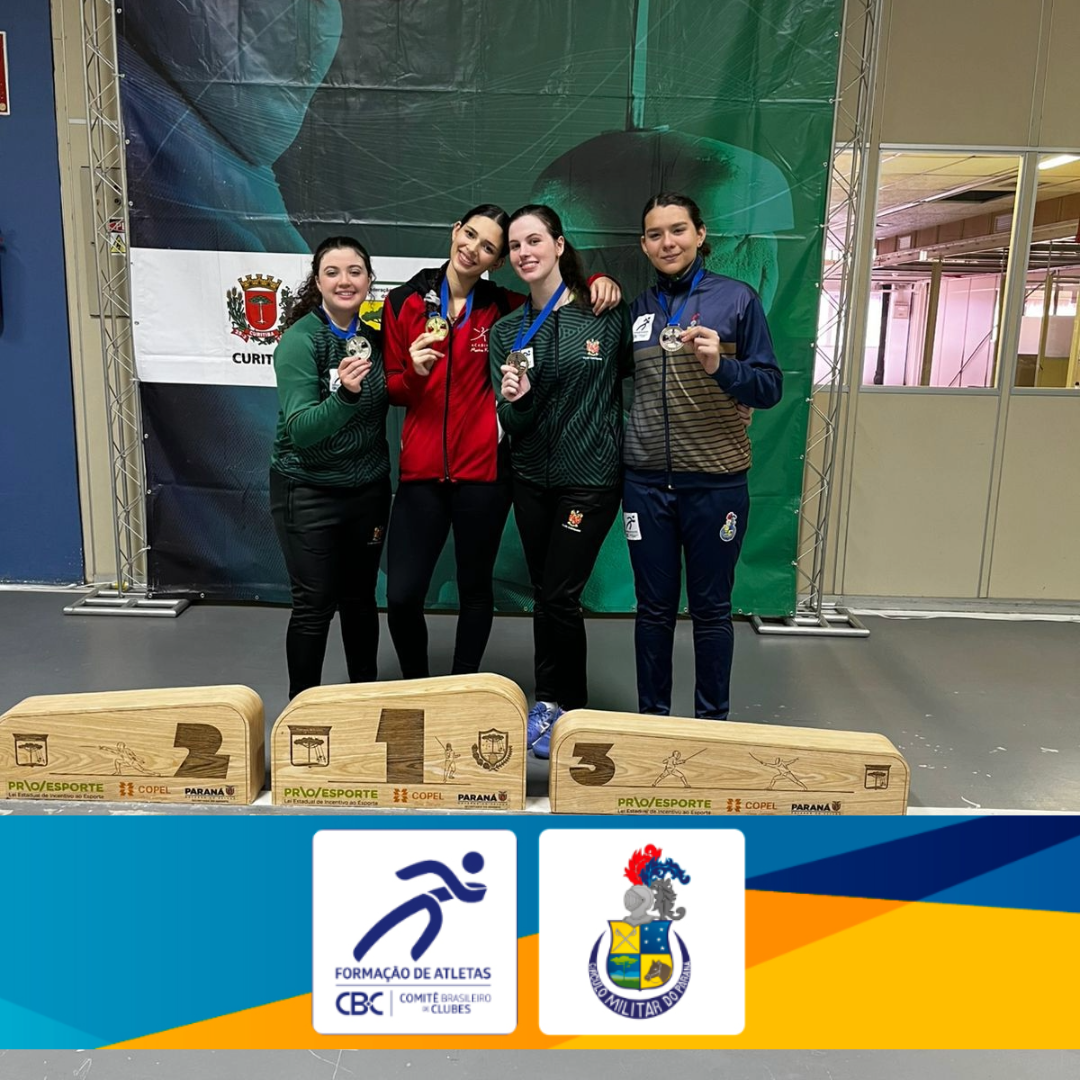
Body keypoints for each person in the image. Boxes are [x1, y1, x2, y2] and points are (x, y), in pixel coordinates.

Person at [381, 205, 621, 680]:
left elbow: (553, 297)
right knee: (402, 596)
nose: (474, 248)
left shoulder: (503, 307)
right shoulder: (403, 302)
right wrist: (413, 373)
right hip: (420, 473)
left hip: (484, 475)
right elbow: (392, 388)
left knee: (476, 589)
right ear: (455, 230)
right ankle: (415, 685)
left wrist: (597, 279)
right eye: (470, 235)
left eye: (489, 246)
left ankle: (464, 684)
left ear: (496, 261)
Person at [624, 193, 783, 722]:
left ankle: (711, 725)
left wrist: (723, 368)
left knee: (712, 611)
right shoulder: (638, 309)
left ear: (699, 234)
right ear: (644, 245)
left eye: (678, 230)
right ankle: (652, 722)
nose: (667, 242)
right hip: (646, 486)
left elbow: (769, 387)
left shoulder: (737, 300)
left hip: (716, 485)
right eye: (655, 234)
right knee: (652, 610)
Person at [491, 205, 634, 758]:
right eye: (515, 246)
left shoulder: (604, 313)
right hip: (530, 480)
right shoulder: (507, 332)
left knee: (559, 594)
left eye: (534, 241)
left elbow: (644, 374)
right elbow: (513, 422)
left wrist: (602, 282)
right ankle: (552, 702)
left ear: (558, 244)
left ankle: (566, 705)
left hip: (589, 480)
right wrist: (519, 401)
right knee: (545, 595)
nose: (524, 253)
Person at [269, 236, 390, 699]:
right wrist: (345, 396)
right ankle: (303, 712)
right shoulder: (301, 340)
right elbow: (301, 429)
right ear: (317, 282)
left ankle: (362, 703)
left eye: (355, 271)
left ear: (369, 280)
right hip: (308, 490)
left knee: (360, 600)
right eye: (332, 272)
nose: (344, 281)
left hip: (368, 491)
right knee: (315, 604)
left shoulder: (375, 339)